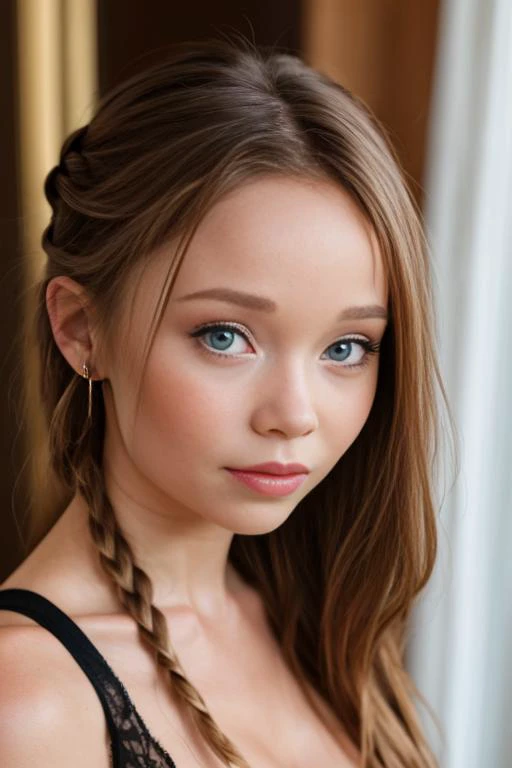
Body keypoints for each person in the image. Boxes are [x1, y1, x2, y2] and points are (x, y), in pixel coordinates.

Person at [0, 36, 456, 768]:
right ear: (83, 330)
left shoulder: (318, 625)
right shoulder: (28, 701)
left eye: (347, 347)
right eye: (225, 335)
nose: (295, 413)